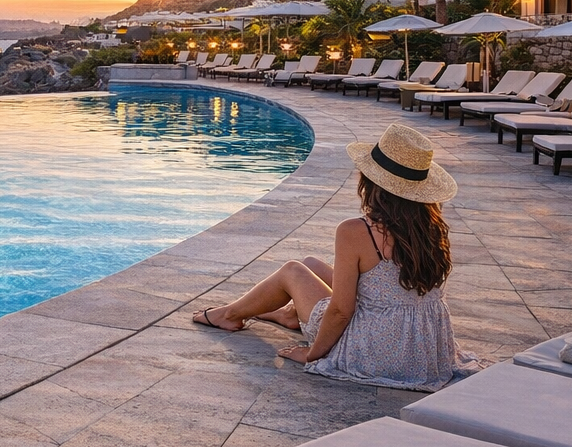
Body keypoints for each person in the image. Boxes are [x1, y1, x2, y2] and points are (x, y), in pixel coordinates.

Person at [192, 122, 480, 391]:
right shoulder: (431, 226)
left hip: (378, 349)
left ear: (372, 181)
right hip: (424, 350)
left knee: (292, 270)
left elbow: (342, 311)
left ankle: (228, 315)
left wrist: (313, 354)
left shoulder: (356, 231)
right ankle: (290, 315)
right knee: (311, 265)